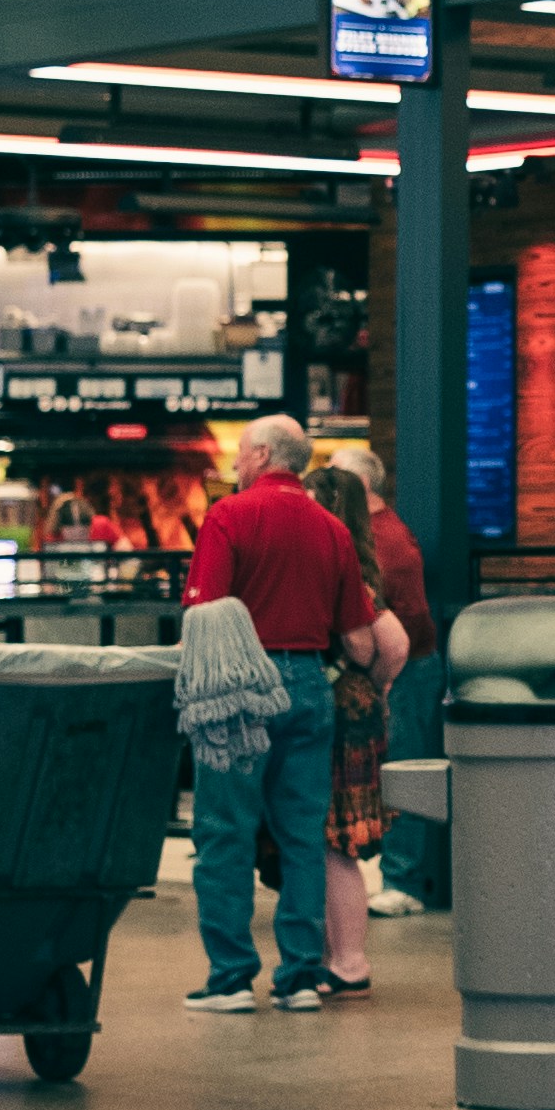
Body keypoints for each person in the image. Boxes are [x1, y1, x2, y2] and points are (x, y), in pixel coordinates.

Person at [181, 414, 374, 1011]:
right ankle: (299, 978)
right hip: (311, 684)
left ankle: (232, 978)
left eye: (242, 453)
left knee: (224, 833)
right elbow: (358, 632)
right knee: (302, 838)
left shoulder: (229, 516)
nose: (236, 463)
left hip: (239, 688)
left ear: (263, 454)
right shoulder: (332, 529)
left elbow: (204, 611)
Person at [310, 462, 410, 994]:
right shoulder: (361, 561)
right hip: (359, 711)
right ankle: (338, 958)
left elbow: (377, 642)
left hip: (339, 713)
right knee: (335, 841)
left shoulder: (339, 565)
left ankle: (347, 962)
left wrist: (358, 675)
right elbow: (390, 648)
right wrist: (377, 685)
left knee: (333, 841)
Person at [334, 449, 442, 918]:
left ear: (359, 486)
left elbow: (410, 623)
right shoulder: (373, 533)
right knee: (398, 769)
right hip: (405, 667)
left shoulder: (385, 542)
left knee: (404, 771)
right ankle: (400, 876)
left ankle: (404, 882)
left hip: (408, 670)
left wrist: (384, 679)